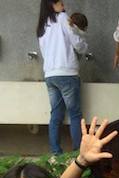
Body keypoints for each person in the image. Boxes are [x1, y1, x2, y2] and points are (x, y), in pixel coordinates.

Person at [37, 0, 89, 155]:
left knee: (56, 115)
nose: (63, 5)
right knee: (75, 114)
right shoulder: (63, 18)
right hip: (67, 73)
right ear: (51, 4)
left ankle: (56, 153)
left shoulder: (42, 24)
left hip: (50, 74)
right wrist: (85, 47)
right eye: (60, 2)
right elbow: (77, 43)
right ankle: (77, 154)